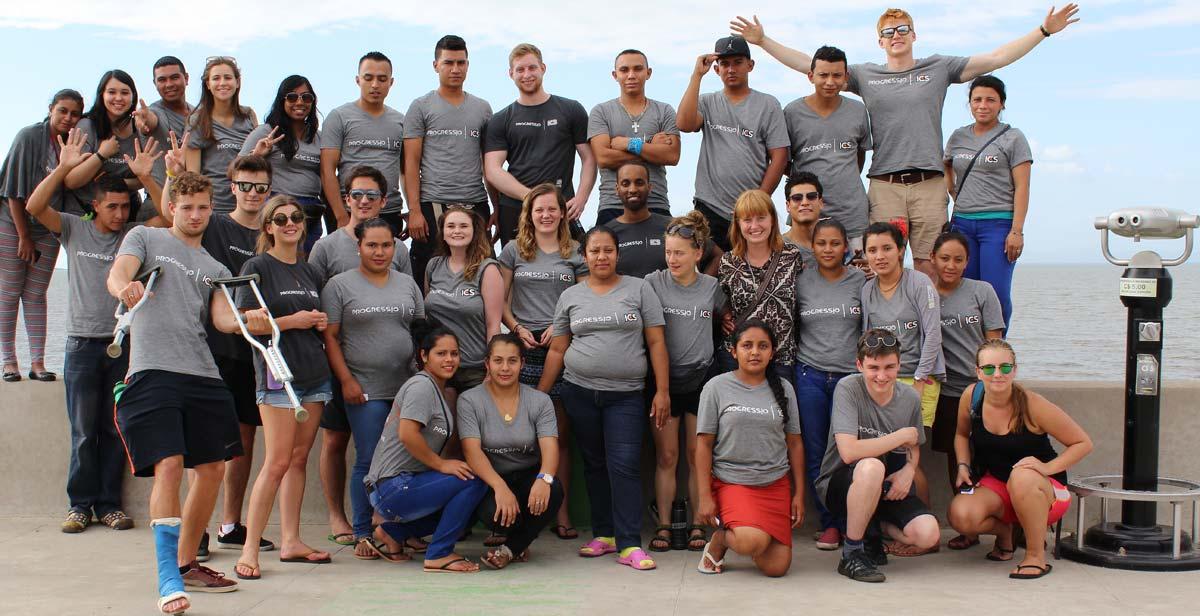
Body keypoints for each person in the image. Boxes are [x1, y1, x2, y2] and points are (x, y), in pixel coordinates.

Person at [731, 5, 1079, 278]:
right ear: (880, 41)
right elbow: (816, 66)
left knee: (931, 267)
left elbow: (996, 58)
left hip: (929, 184)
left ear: (914, 34)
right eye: (888, 32)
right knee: (883, 264)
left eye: (902, 29)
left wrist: (1044, 30)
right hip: (886, 186)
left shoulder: (939, 67)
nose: (896, 35)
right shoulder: (866, 75)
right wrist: (763, 41)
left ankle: (935, 357)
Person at [107, 170, 247, 613]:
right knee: (169, 464)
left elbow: (224, 321)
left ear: (211, 208)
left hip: (203, 375)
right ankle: (169, 578)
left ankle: (187, 563)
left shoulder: (216, 268)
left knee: (211, 471)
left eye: (203, 207)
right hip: (153, 370)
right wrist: (124, 288)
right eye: (187, 207)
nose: (195, 214)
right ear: (171, 207)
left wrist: (257, 324)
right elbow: (118, 274)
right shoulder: (145, 239)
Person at [25, 128, 164, 533]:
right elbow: (35, 205)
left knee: (115, 427)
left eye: (125, 207)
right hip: (82, 345)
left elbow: (169, 216)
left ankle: (109, 506)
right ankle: (79, 505)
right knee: (84, 432)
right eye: (112, 207)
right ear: (95, 206)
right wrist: (64, 168)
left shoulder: (135, 237)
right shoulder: (74, 228)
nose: (120, 214)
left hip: (123, 344)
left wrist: (150, 177)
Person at [538, 226, 670, 571]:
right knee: (595, 465)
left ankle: (629, 544)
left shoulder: (639, 290)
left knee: (624, 465)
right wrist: (539, 396)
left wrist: (662, 390)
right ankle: (605, 535)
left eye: (607, 250)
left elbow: (656, 342)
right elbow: (557, 349)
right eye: (594, 251)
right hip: (578, 392)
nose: (601, 257)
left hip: (625, 396)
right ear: (584, 257)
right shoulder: (571, 297)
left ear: (617, 254)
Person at [173, 150, 277, 559]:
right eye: (245, 185)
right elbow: (178, 214)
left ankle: (230, 524)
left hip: (254, 352)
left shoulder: (272, 232)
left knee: (244, 440)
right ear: (232, 188)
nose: (253, 193)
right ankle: (193, 528)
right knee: (201, 440)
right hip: (211, 348)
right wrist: (173, 172)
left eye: (261, 187)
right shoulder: (213, 224)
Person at [308, 164, 412, 548]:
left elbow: (412, 321)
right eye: (357, 195)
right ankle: (351, 522)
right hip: (348, 374)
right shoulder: (327, 250)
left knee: (397, 455)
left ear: (384, 201)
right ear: (346, 198)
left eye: (372, 196)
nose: (364, 202)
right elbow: (320, 313)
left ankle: (393, 527)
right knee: (342, 445)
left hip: (397, 382)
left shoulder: (399, 255)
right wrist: (343, 376)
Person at [231, 196, 333, 581]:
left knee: (297, 459)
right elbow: (246, 324)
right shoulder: (256, 267)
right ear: (268, 227)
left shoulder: (309, 272)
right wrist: (295, 320)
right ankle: (250, 549)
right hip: (277, 376)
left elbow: (314, 321)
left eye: (295, 218)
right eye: (281, 219)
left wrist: (317, 322)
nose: (290, 223)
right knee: (275, 462)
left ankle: (291, 541)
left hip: (315, 375)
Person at [321, 217, 425, 560]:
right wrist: (347, 380)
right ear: (359, 247)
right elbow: (331, 338)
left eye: (386, 245)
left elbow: (419, 332)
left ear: (395, 247)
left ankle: (399, 529)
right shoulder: (339, 286)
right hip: (364, 388)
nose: (380, 252)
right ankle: (364, 531)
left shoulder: (408, 283)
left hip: (406, 388)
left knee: (407, 460)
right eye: (372, 245)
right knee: (369, 460)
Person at [948, 339, 1092, 578]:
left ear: (1014, 370)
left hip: (1044, 490)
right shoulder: (972, 397)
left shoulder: (1033, 404)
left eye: (1005, 368)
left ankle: (1035, 556)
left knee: (1022, 476)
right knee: (961, 516)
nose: (997, 374)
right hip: (999, 485)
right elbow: (962, 434)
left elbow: (1082, 443)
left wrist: (1047, 468)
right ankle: (1005, 533)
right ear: (978, 372)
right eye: (989, 368)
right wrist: (963, 465)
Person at [814, 329, 940, 583]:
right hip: (842, 484)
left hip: (887, 487)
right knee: (870, 466)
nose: (881, 376)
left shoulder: (909, 399)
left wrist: (908, 471)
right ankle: (852, 553)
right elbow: (849, 452)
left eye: (889, 367)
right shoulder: (848, 388)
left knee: (928, 534)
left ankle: (875, 527)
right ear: (859, 365)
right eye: (873, 367)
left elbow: (913, 445)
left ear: (899, 365)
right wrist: (900, 435)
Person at [497, 183, 586, 540]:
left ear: (563, 213)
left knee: (557, 437)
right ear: (529, 214)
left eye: (552, 209)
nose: (546, 215)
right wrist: (515, 327)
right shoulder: (513, 250)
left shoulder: (576, 252)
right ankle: (507, 516)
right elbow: (499, 300)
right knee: (510, 436)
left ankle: (560, 513)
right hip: (519, 348)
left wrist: (558, 325)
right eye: (539, 210)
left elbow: (581, 300)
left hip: (558, 349)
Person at [364, 322, 488, 573]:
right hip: (393, 486)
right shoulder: (421, 387)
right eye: (441, 354)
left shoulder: (435, 389)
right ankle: (439, 554)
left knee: (472, 504)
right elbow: (408, 435)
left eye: (454, 353)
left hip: (400, 485)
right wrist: (442, 464)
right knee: (474, 481)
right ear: (424, 355)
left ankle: (393, 533)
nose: (449, 360)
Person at [695, 320, 804, 576]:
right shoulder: (716, 387)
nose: (755, 352)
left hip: (774, 484)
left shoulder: (784, 389)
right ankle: (721, 540)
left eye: (762, 346)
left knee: (777, 568)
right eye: (747, 345)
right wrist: (704, 496)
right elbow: (703, 444)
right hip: (733, 482)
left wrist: (799, 494)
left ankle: (754, 532)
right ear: (733, 351)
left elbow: (795, 442)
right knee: (749, 542)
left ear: (772, 352)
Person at [645, 211, 726, 553]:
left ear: (698, 253)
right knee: (667, 456)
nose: (672, 259)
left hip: (700, 379)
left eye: (680, 252)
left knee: (696, 456)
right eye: (668, 252)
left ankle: (697, 524)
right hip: (664, 382)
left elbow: (726, 320)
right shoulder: (653, 283)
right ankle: (663, 524)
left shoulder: (712, 288)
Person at [860, 221, 944, 544]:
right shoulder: (868, 289)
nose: (879, 256)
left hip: (918, 378)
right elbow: (866, 337)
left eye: (886, 248)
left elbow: (933, 334)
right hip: (883, 380)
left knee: (911, 454)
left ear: (901, 250)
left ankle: (924, 523)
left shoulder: (919, 283)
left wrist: (920, 381)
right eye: (872, 250)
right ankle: (896, 523)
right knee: (891, 455)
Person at [459, 333, 564, 569]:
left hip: (527, 475)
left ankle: (509, 548)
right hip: (490, 479)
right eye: (498, 361)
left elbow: (550, 446)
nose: (505, 368)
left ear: (522, 364)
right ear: (487, 363)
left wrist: (544, 478)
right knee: (494, 513)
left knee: (553, 489)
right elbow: (471, 451)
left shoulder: (539, 401)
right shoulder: (470, 400)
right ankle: (518, 540)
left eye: (512, 361)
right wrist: (499, 488)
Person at [0, 88, 83, 382]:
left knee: (35, 295)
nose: (68, 118)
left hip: (47, 224)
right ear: (51, 109)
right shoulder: (28, 137)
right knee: (9, 292)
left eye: (75, 114)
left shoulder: (75, 144)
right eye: (62, 111)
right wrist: (24, 237)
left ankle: (37, 363)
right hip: (12, 219)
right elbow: (11, 191)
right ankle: (9, 362)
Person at [677, 35, 789, 252]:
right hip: (710, 208)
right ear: (717, 69)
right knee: (711, 276)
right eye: (725, 64)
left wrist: (759, 200)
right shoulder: (707, 102)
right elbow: (684, 123)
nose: (731, 69)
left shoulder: (768, 104)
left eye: (737, 62)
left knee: (751, 274)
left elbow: (780, 156)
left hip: (751, 213)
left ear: (750, 65)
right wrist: (696, 76)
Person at [794, 217, 866, 551]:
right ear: (813, 246)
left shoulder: (860, 281)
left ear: (846, 247)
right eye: (821, 243)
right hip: (809, 375)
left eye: (835, 243)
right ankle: (829, 524)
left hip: (849, 380)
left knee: (845, 454)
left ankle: (852, 521)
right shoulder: (801, 281)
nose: (827, 249)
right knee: (815, 453)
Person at [930, 231, 1004, 549]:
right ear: (932, 258)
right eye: (945, 258)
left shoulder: (981, 291)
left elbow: (995, 341)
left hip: (982, 389)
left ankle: (1003, 520)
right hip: (947, 390)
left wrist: (993, 384)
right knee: (955, 459)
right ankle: (968, 529)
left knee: (990, 455)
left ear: (967, 262)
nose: (951, 265)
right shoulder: (926, 294)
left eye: (958, 259)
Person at [404, 35, 496, 288]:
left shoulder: (482, 108)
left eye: (461, 62)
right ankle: (426, 327)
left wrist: (496, 206)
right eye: (448, 63)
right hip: (433, 203)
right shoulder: (421, 106)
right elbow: (410, 163)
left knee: (483, 271)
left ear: (468, 65)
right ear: (436, 65)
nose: (455, 69)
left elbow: (489, 163)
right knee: (428, 273)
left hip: (475, 202)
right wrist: (413, 210)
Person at [484, 42, 595, 245]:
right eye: (520, 69)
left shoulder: (571, 109)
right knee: (515, 271)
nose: (527, 74)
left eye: (532, 67)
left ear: (543, 68)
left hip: (561, 207)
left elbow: (589, 158)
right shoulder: (501, 119)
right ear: (511, 74)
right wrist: (531, 196)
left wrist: (581, 198)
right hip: (516, 208)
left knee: (568, 268)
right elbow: (492, 170)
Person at [944, 75, 1032, 327]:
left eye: (990, 100)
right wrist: (953, 191)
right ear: (970, 104)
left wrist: (1017, 230)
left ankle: (996, 350)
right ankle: (970, 350)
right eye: (977, 99)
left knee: (996, 293)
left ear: (1002, 104)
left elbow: (1023, 186)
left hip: (998, 225)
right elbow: (946, 164)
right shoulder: (958, 136)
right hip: (962, 224)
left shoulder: (1013, 138)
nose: (983, 105)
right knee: (964, 291)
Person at [782, 46, 870, 250]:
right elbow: (785, 161)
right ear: (811, 76)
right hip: (806, 218)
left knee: (858, 278)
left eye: (837, 75)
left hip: (853, 218)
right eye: (823, 75)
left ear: (846, 76)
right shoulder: (792, 113)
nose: (830, 82)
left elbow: (859, 156)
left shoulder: (858, 111)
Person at [588, 49, 680, 226]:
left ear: (648, 73)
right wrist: (650, 145)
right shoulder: (601, 111)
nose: (631, 75)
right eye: (624, 70)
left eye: (638, 69)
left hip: (656, 202)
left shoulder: (664, 110)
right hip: (612, 204)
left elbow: (672, 156)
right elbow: (604, 158)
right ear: (615, 75)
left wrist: (627, 143)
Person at [717, 189, 802, 376]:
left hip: (781, 356)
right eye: (747, 220)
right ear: (738, 224)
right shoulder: (728, 262)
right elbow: (721, 302)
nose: (754, 226)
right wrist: (724, 316)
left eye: (761, 218)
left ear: (772, 219)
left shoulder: (791, 256)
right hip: (739, 357)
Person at [320, 52, 405, 235]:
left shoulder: (401, 122)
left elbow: (407, 170)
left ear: (391, 82)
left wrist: (413, 210)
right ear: (358, 80)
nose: (375, 85)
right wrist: (340, 214)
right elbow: (327, 170)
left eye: (382, 79)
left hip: (389, 212)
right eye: (369, 78)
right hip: (349, 211)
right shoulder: (339, 117)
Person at [424, 206, 502, 398]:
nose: (457, 231)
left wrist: (492, 368)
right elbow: (428, 314)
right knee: (441, 427)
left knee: (472, 427)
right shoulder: (433, 266)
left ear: (474, 231)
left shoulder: (488, 269)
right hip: (439, 367)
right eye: (450, 226)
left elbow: (494, 325)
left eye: (463, 226)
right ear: (442, 232)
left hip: (474, 369)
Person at [241, 75, 324, 252]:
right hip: (277, 209)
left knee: (306, 267)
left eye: (306, 97)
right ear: (282, 100)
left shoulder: (318, 137)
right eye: (292, 97)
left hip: (311, 213)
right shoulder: (267, 131)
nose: (300, 102)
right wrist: (257, 155)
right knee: (276, 264)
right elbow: (235, 170)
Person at [604, 161, 720, 278]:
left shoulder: (673, 226)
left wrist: (702, 287)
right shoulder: (606, 233)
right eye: (625, 184)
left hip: (671, 296)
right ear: (617, 189)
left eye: (639, 183)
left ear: (649, 188)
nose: (633, 189)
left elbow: (718, 256)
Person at [64, 70, 147, 218]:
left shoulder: (140, 129)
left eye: (125, 93)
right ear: (102, 94)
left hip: (123, 216)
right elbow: (71, 181)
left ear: (133, 96)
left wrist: (116, 183)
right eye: (111, 92)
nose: (118, 98)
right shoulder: (87, 126)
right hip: (85, 213)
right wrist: (101, 155)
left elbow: (144, 179)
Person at [185, 57, 257, 215]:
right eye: (216, 78)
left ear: (237, 82)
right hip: (214, 208)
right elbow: (193, 177)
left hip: (247, 206)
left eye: (228, 77)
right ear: (208, 85)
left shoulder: (248, 116)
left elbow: (257, 162)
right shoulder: (197, 120)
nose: (222, 83)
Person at [134, 56, 192, 220]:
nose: (169, 84)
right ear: (155, 83)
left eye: (174, 77)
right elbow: (150, 120)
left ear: (186, 78)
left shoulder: (198, 115)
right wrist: (144, 120)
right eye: (162, 80)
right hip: (157, 205)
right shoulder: (155, 111)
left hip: (191, 205)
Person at [781, 172, 825, 269]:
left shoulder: (836, 242)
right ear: (788, 206)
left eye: (812, 196)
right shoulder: (776, 248)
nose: (805, 202)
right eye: (797, 198)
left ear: (821, 203)